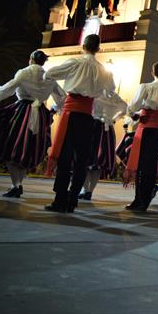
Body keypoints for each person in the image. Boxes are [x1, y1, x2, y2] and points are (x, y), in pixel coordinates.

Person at [0, 50, 65, 198]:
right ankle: (17, 185)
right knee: (28, 151)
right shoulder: (49, 78)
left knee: (12, 148)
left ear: (31, 59)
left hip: (22, 112)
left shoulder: (24, 73)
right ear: (43, 62)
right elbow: (62, 97)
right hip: (40, 115)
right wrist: (53, 109)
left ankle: (16, 185)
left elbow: (9, 88)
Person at [43, 34, 115, 213]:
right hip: (88, 116)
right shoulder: (103, 70)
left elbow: (49, 74)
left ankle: (60, 200)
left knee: (65, 158)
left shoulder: (75, 62)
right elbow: (110, 91)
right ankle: (73, 199)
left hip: (71, 113)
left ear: (84, 46)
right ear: (99, 49)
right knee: (81, 160)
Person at [124, 60, 158, 212]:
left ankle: (139, 199)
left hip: (144, 128)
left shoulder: (146, 87)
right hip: (157, 131)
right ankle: (144, 200)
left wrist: (134, 116)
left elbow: (132, 107)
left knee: (140, 165)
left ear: (152, 72)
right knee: (149, 167)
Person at [78, 91, 127, 201]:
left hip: (93, 126)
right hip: (106, 129)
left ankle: (85, 190)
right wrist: (113, 118)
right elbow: (124, 108)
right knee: (100, 162)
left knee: (87, 159)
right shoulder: (113, 96)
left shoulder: (96, 91)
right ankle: (89, 191)